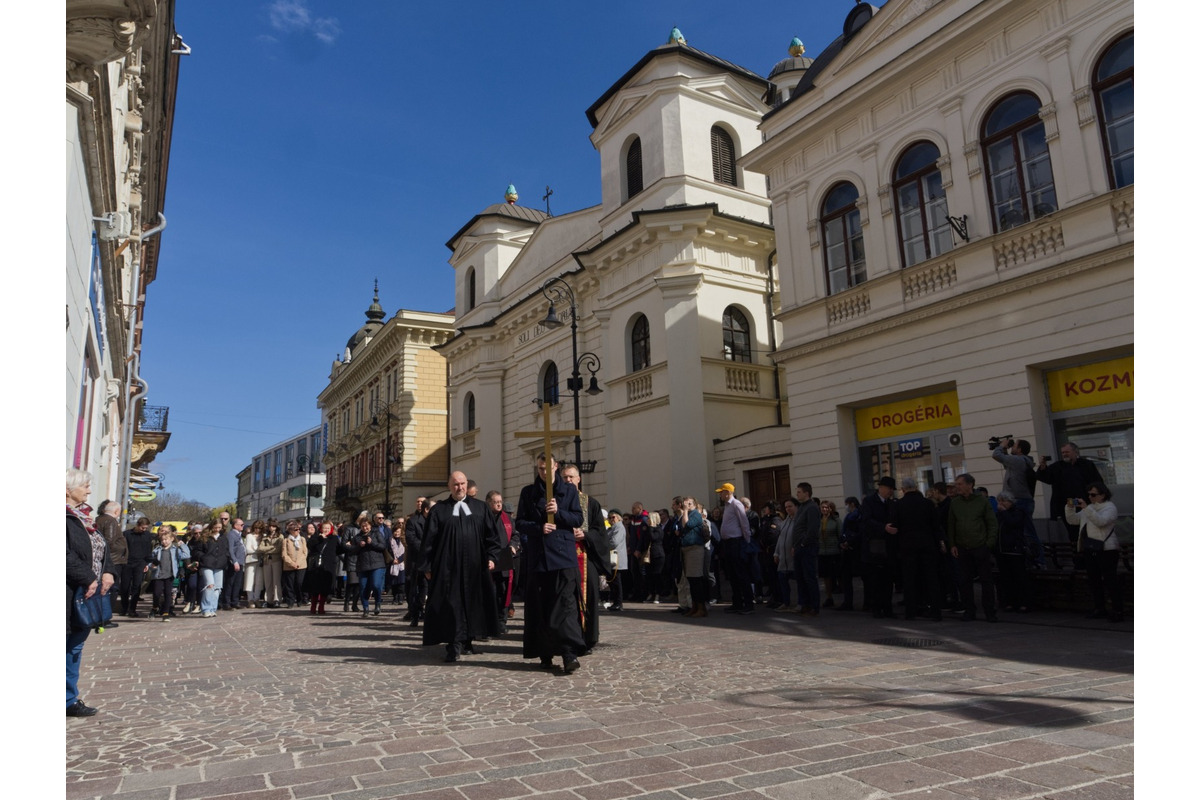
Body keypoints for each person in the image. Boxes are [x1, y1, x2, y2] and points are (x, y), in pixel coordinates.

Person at [420, 472, 503, 662]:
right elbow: (429, 541)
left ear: (467, 485)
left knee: (473, 604)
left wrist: (492, 557)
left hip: (475, 566)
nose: (460, 487)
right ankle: (453, 644)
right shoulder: (439, 510)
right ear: (449, 486)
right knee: (452, 606)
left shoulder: (481, 508)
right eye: (455, 484)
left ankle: (468, 640)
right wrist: (427, 565)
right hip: (448, 568)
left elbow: (492, 537)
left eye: (462, 483)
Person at [517, 454, 586, 673]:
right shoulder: (528, 492)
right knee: (541, 607)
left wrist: (559, 513)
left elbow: (577, 519)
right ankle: (544, 653)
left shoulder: (569, 491)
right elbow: (520, 522)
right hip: (539, 557)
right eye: (540, 469)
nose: (544, 473)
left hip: (563, 556)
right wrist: (539, 528)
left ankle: (569, 654)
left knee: (565, 606)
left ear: (556, 467)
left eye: (548, 468)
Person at [67, 468, 116, 717]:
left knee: (75, 646)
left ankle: (68, 699)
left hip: (88, 591)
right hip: (69, 589)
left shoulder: (85, 518)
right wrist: (88, 578)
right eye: (85, 485)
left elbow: (101, 549)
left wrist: (107, 572)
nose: (89, 489)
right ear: (67, 489)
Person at [560, 464, 615, 652]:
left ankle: (588, 638)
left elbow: (600, 532)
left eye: (571, 477)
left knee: (588, 597)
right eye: (564, 477)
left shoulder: (590, 503)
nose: (568, 480)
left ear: (578, 479)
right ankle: (568, 639)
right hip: (563, 558)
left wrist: (585, 535)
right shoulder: (556, 503)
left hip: (586, 557)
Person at [1066, 482, 1124, 622]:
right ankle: (1100, 608)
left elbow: (1101, 521)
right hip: (1091, 548)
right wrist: (1069, 507)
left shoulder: (1110, 507)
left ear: (1103, 495)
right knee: (1094, 580)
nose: (1090, 497)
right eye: (1089, 494)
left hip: (1107, 549)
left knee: (1110, 581)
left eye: (1093, 494)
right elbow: (1073, 520)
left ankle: (1117, 610)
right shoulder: (1090, 508)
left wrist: (1086, 508)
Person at [947, 473, 999, 622]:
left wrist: (989, 544)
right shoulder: (955, 503)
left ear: (970, 485)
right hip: (962, 546)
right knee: (964, 581)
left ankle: (990, 611)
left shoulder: (982, 501)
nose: (957, 487)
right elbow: (951, 524)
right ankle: (969, 610)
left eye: (960, 484)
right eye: (957, 484)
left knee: (986, 580)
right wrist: (953, 544)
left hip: (980, 546)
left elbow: (992, 523)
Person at [888, 478, 943, 620]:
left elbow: (895, 526)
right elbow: (936, 525)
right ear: (916, 487)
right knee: (931, 579)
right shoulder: (928, 504)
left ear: (903, 489)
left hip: (907, 547)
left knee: (909, 579)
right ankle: (935, 611)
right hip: (927, 545)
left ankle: (911, 611)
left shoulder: (898, 505)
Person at [1036, 442, 1103, 546]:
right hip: (1067, 505)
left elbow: (1098, 484)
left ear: (1075, 452)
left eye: (1067, 452)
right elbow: (1045, 478)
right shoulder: (1058, 466)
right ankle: (1077, 556)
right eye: (1063, 452)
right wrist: (1043, 466)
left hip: (1085, 504)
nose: (1064, 454)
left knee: (1088, 531)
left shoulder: (1086, 465)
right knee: (1073, 533)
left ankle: (1090, 555)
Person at [992, 438, 1042, 564]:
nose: (1011, 447)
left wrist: (1001, 445)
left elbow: (996, 455)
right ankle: (1030, 560)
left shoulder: (1019, 460)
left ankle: (1039, 561)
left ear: (1019, 449)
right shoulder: (1020, 462)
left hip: (1020, 502)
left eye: (1014, 445)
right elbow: (1005, 461)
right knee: (1023, 533)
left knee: (1028, 533)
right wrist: (1004, 448)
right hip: (1022, 501)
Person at [860, 477, 898, 619]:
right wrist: (883, 528)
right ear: (882, 488)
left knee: (888, 580)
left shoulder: (891, 503)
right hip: (874, 547)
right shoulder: (869, 501)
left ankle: (887, 608)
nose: (891, 492)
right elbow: (866, 521)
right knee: (875, 580)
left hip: (888, 547)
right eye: (889, 489)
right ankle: (876, 608)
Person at [714, 482, 754, 614]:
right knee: (732, 575)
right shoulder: (726, 506)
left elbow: (744, 523)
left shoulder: (736, 504)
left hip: (736, 542)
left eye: (722, 492)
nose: (720, 494)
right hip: (728, 543)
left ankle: (748, 603)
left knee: (740, 574)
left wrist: (746, 541)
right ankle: (737, 602)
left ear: (728, 492)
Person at [995, 492, 1032, 613]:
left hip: (1015, 549)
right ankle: (1010, 601)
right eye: (999, 501)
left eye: (1004, 501)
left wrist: (1004, 512)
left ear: (1011, 502)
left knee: (1019, 577)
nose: (1001, 504)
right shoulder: (998, 515)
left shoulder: (1018, 512)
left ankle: (1024, 602)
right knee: (1006, 578)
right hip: (1002, 550)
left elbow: (1013, 523)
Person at [485, 492, 518, 629]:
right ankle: (490, 620)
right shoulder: (483, 518)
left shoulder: (508, 519)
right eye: (495, 502)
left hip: (505, 559)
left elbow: (516, 535)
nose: (499, 504)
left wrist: (513, 545)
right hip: (489, 559)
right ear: (488, 503)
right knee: (491, 590)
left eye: (500, 501)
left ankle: (501, 619)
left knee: (504, 590)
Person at [792, 483, 822, 616]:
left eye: (799, 492)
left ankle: (814, 606)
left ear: (806, 493)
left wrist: (803, 544)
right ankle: (805, 604)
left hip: (807, 548)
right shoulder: (801, 507)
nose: (797, 494)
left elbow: (812, 529)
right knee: (800, 578)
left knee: (809, 577)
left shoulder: (812, 508)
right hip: (799, 548)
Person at [148, 525, 190, 620]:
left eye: (166, 540)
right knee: (156, 593)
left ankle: (166, 613)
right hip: (158, 575)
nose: (164, 542)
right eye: (162, 540)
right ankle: (155, 607)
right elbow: (150, 561)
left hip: (170, 575)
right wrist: (151, 566)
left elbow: (186, 555)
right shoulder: (157, 550)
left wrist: (182, 545)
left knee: (168, 594)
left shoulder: (175, 550)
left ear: (171, 539)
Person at [191, 521, 230, 618]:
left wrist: (225, 559)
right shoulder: (205, 538)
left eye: (219, 527)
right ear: (212, 527)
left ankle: (213, 608)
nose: (217, 529)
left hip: (219, 565)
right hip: (207, 565)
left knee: (217, 588)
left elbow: (226, 550)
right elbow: (197, 551)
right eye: (216, 527)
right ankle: (205, 609)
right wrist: (203, 558)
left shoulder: (223, 538)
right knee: (210, 585)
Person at [94, 500, 123, 627]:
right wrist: (121, 548)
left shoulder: (99, 519)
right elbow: (109, 541)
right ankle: (105, 618)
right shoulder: (111, 521)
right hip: (113, 560)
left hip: (108, 560)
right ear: (116, 512)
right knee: (111, 589)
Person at [355, 511, 389, 617]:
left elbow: (383, 546)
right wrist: (359, 545)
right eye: (363, 526)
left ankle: (377, 603)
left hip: (377, 564)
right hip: (363, 565)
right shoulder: (357, 537)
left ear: (370, 526)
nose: (365, 528)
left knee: (376, 585)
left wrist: (372, 543)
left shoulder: (376, 533)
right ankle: (365, 608)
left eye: (367, 526)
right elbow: (352, 550)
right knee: (364, 587)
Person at [304, 520, 341, 614]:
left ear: (331, 529)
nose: (326, 530)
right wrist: (320, 539)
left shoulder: (334, 538)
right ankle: (313, 607)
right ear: (321, 528)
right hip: (316, 566)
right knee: (315, 588)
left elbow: (339, 550)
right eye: (324, 528)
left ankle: (321, 607)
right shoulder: (315, 537)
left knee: (325, 588)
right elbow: (310, 545)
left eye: (328, 528)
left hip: (328, 566)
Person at [120, 516, 154, 617]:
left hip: (140, 563)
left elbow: (148, 550)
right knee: (125, 586)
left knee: (137, 586)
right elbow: (123, 548)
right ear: (138, 525)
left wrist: (147, 563)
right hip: (127, 562)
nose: (144, 530)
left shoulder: (147, 535)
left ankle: (132, 609)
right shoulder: (127, 534)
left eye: (146, 528)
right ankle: (124, 607)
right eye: (142, 527)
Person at [404, 499, 428, 625]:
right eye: (417, 501)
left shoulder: (434, 521)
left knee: (425, 588)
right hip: (416, 560)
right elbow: (411, 540)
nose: (419, 503)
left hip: (430, 560)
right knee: (414, 588)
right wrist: (427, 548)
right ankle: (414, 613)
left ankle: (422, 609)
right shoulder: (412, 521)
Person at [772, 497, 799, 610]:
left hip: (794, 558)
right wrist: (776, 553)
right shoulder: (784, 522)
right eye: (786, 507)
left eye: (790, 506)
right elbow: (780, 539)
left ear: (796, 507)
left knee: (799, 582)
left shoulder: (799, 521)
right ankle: (786, 602)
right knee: (783, 581)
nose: (788, 509)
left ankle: (801, 603)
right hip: (783, 559)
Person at [837, 497, 861, 611]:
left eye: (846, 504)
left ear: (852, 504)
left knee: (849, 576)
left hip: (854, 549)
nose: (845, 507)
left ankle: (849, 602)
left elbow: (857, 532)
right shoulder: (850, 515)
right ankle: (848, 601)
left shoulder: (856, 515)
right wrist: (842, 542)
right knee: (846, 577)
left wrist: (848, 541)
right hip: (848, 548)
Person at [817, 500, 841, 608]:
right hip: (822, 552)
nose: (824, 509)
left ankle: (841, 596)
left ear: (831, 508)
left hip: (833, 551)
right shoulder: (819, 521)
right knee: (825, 576)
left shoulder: (836, 520)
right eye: (822, 507)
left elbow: (840, 535)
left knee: (835, 575)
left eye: (826, 507)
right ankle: (829, 597)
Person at [341, 512, 368, 613]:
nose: (363, 518)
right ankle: (347, 602)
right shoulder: (349, 528)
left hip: (363, 559)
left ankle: (355, 604)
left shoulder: (366, 528)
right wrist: (355, 547)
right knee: (352, 582)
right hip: (352, 559)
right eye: (361, 516)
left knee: (359, 584)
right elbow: (343, 544)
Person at [280, 520, 308, 609]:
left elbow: (305, 553)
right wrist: (292, 563)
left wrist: (298, 563)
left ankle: (299, 599)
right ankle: (290, 601)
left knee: (299, 583)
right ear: (290, 531)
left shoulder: (302, 539)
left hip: (301, 565)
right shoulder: (286, 540)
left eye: (298, 529)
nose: (298, 531)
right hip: (289, 566)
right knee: (290, 584)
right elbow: (284, 554)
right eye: (295, 530)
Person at [220, 518, 246, 610]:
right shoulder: (231, 535)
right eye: (241, 525)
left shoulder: (239, 535)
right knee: (230, 582)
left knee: (237, 583)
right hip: (234, 562)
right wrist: (234, 561)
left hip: (240, 561)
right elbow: (230, 549)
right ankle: (226, 602)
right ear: (235, 525)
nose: (243, 526)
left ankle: (235, 601)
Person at [258, 520, 284, 608]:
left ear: (276, 527)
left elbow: (278, 549)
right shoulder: (265, 536)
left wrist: (267, 549)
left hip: (276, 560)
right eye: (270, 526)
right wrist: (271, 547)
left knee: (276, 581)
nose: (271, 528)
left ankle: (277, 599)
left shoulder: (280, 536)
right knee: (268, 581)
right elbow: (260, 548)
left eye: (273, 526)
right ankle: (268, 599)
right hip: (266, 560)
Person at [606, 509, 627, 612]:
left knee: (616, 582)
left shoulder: (619, 527)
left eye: (613, 517)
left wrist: (603, 545)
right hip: (611, 558)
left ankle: (619, 603)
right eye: (609, 518)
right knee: (612, 582)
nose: (611, 519)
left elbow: (614, 542)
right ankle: (615, 602)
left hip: (616, 558)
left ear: (619, 517)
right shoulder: (611, 528)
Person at [243, 520, 264, 608]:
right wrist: (258, 550)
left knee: (259, 580)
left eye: (259, 528)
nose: (257, 530)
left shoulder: (263, 536)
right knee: (249, 580)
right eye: (255, 528)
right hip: (251, 560)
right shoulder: (249, 536)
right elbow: (248, 549)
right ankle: (250, 599)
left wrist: (256, 550)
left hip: (261, 561)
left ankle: (257, 598)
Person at [386, 521, 407, 607]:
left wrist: (400, 559)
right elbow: (387, 552)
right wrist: (392, 560)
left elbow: (405, 553)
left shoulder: (404, 541)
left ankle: (401, 597)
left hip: (401, 564)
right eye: (395, 531)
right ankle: (395, 597)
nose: (397, 533)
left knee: (401, 582)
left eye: (398, 532)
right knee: (394, 582)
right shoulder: (390, 541)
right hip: (393, 564)